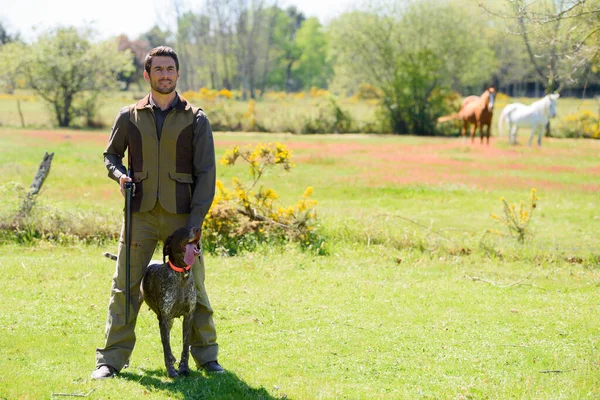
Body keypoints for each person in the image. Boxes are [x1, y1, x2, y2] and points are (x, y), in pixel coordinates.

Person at [92, 46, 221, 379]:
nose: (165, 74)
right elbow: (110, 156)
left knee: (195, 286)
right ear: (147, 75)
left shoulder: (196, 118)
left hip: (183, 220)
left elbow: (207, 173)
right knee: (125, 286)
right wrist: (120, 175)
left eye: (171, 69)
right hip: (141, 216)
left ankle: (207, 357)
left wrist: (195, 223)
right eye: (158, 69)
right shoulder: (128, 116)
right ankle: (111, 360)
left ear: (178, 74)